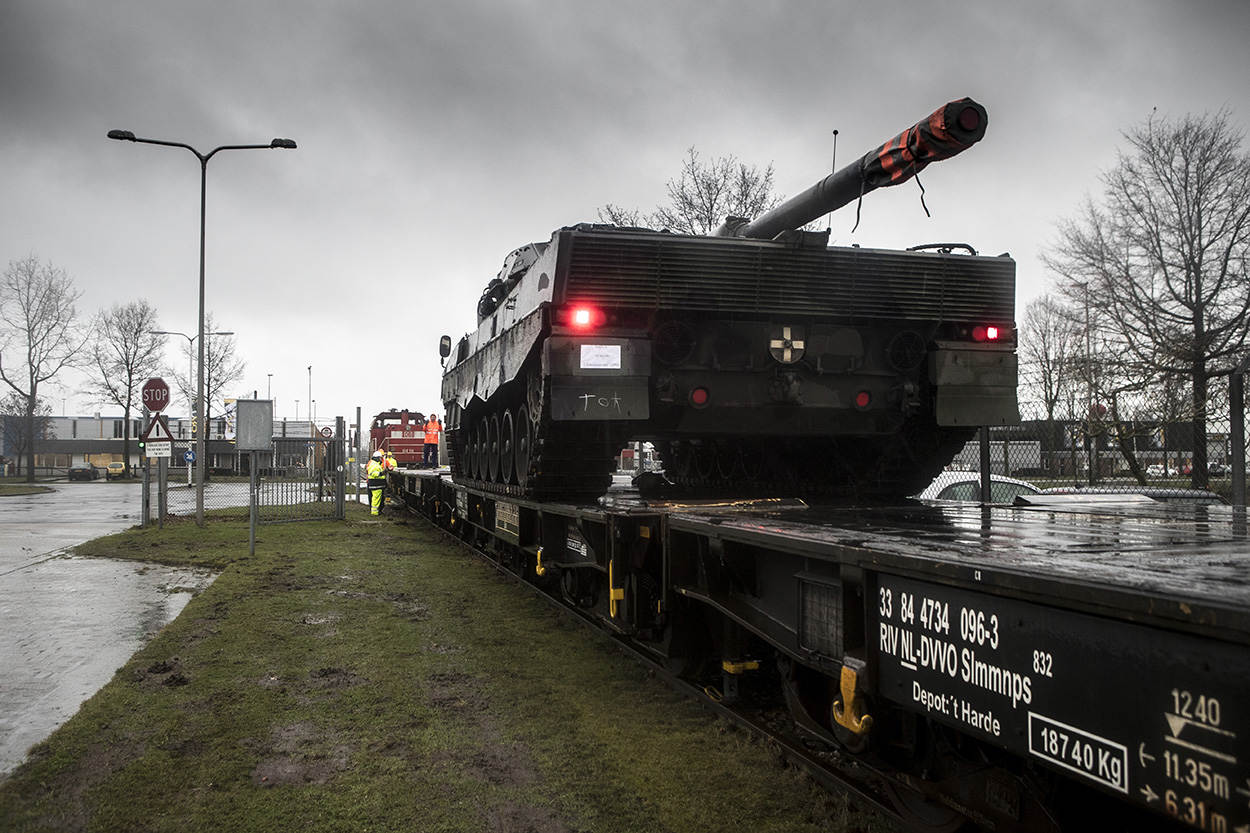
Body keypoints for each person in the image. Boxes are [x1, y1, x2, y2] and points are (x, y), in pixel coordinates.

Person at [366, 450, 387, 516]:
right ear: (377, 458)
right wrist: (381, 473)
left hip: (375, 484)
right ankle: (375, 512)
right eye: (380, 458)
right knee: (376, 499)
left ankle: (375, 511)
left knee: (375, 498)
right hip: (376, 484)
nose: (381, 459)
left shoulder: (374, 463)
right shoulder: (374, 465)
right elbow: (373, 473)